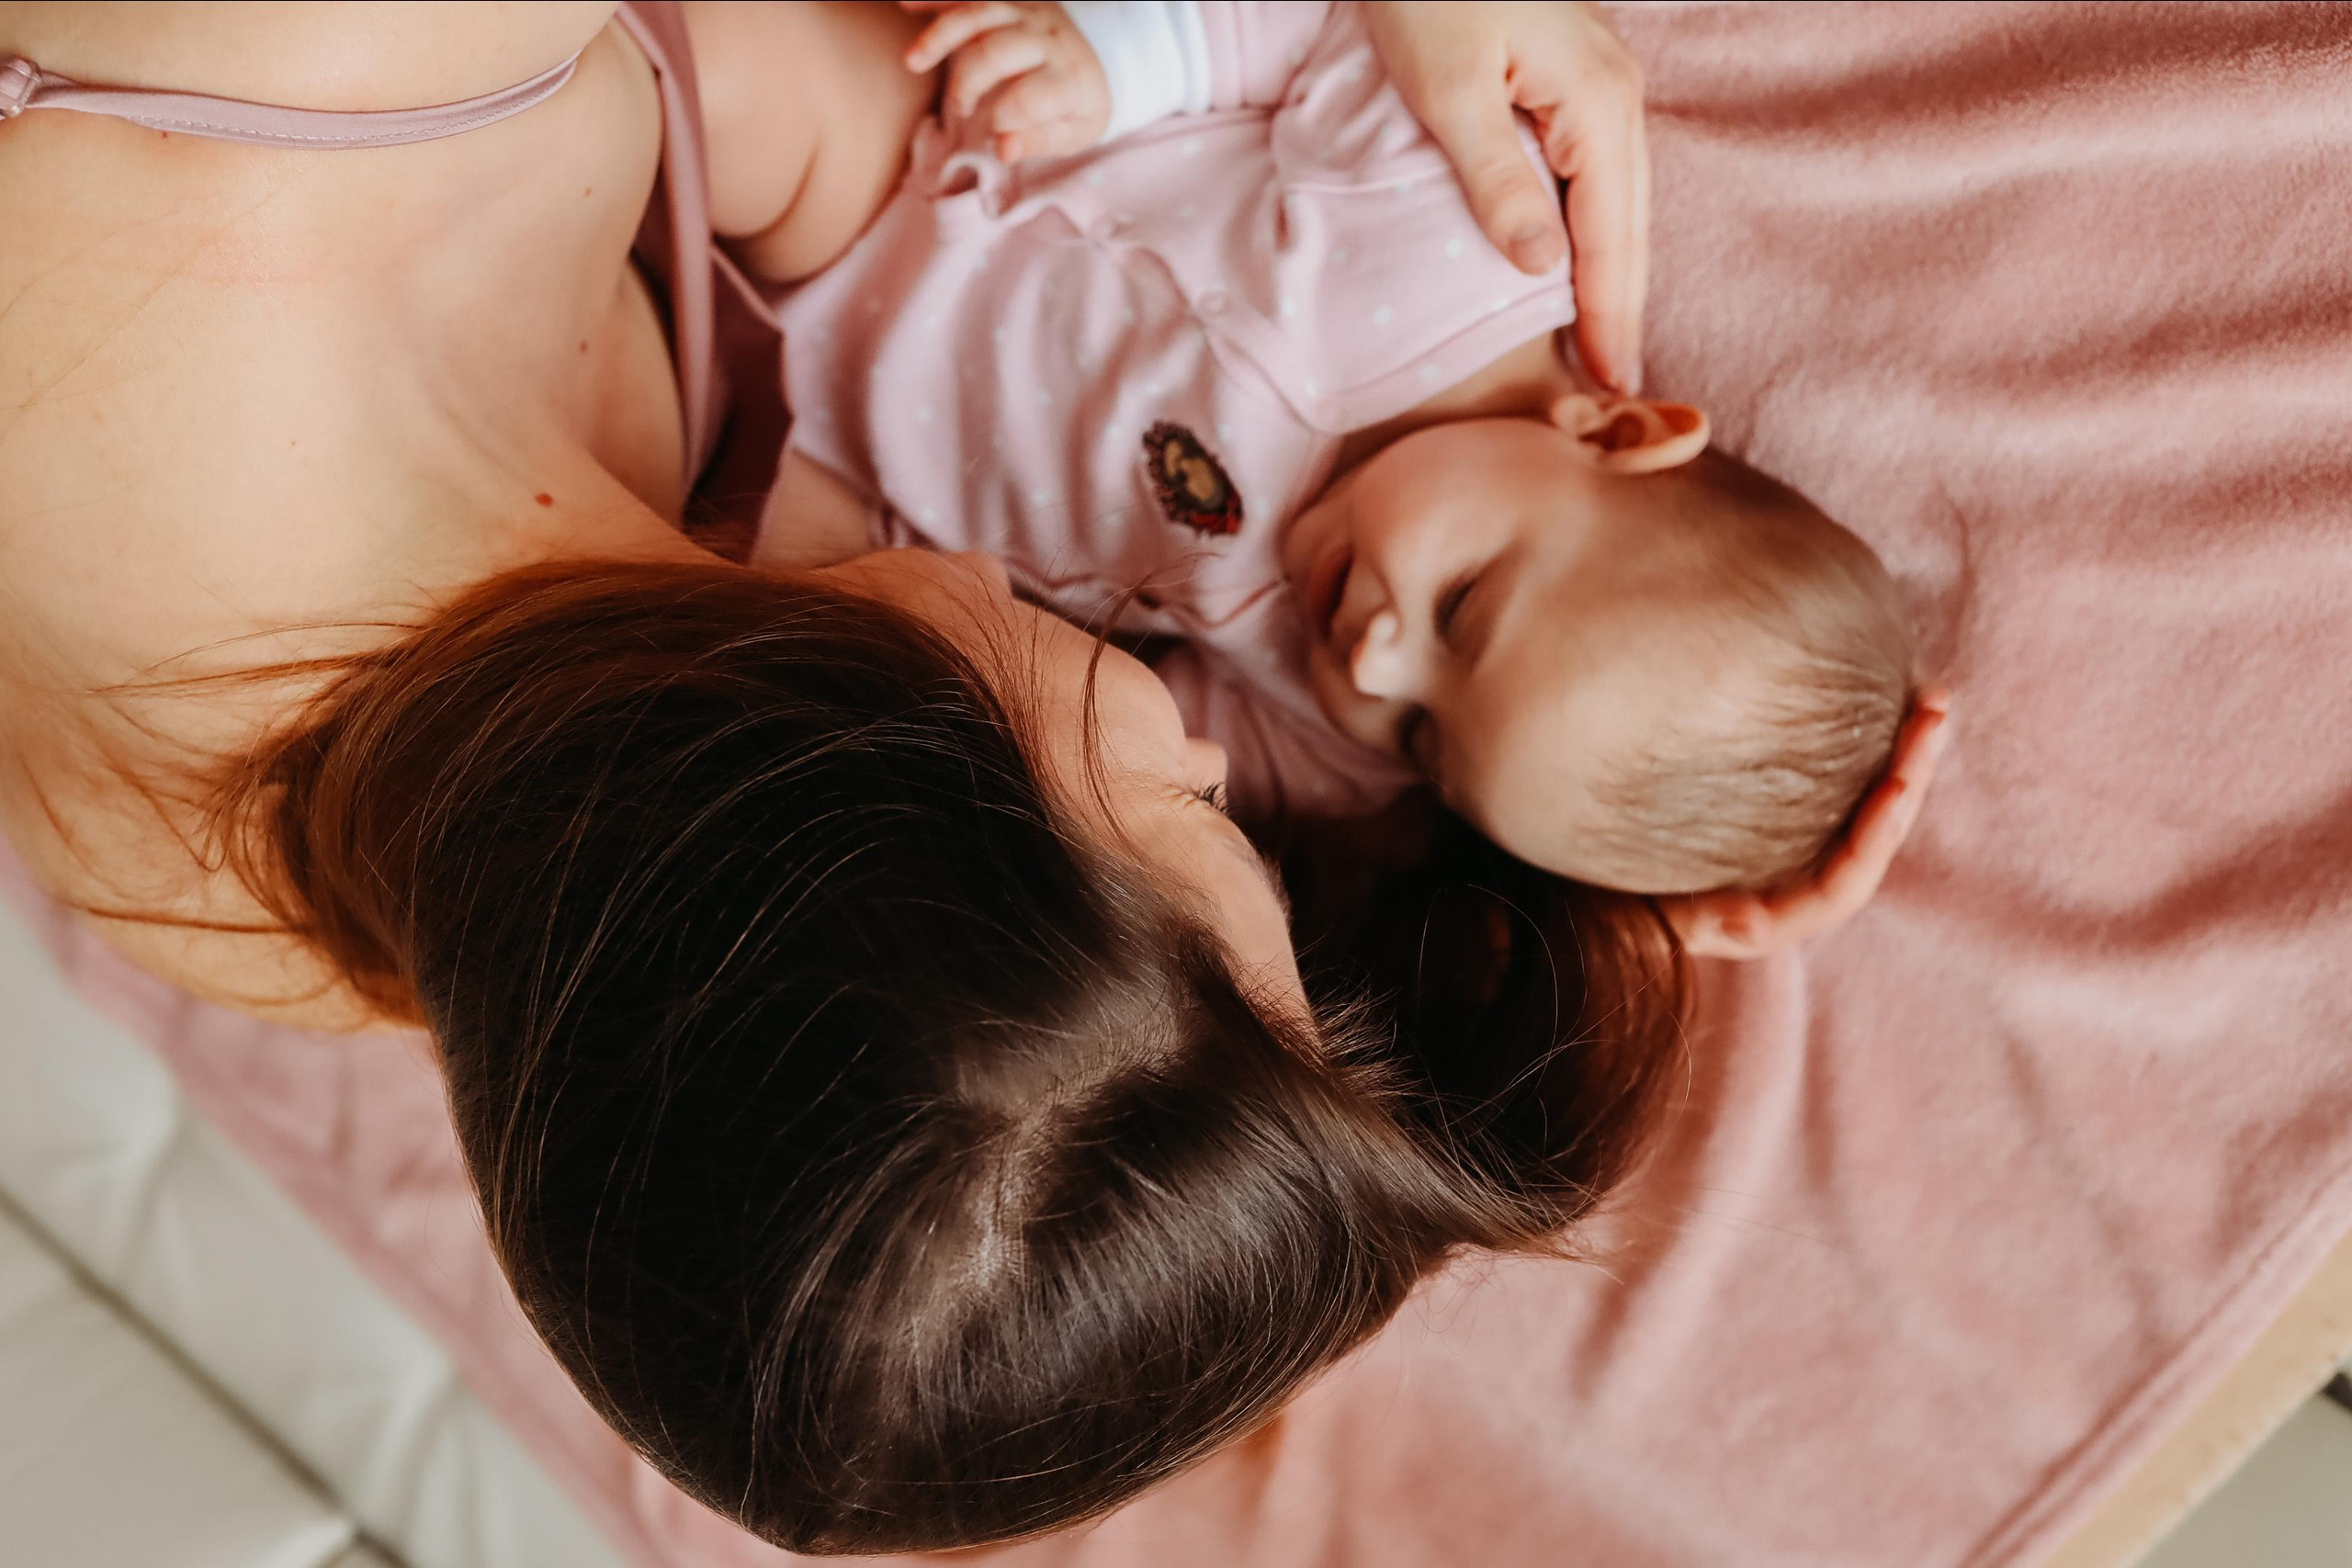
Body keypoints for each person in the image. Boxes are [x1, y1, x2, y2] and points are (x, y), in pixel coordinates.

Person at [0, 1, 1917, 1551]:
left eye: (1190, 816)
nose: (1199, 727)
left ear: (902, 758)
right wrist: (1618, 882)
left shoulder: (319, 67)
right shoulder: (344, 912)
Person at [766, 0, 1953, 911]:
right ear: (1615, 432)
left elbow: (1106, 736)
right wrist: (1119, 62)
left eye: (1428, 743)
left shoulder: (1335, 742)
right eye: (1465, 605)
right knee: (751, 77)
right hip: (916, 167)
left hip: (846, 492)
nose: (1378, 668)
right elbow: (1323, 33)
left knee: (752, 620)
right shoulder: (1472, 248)